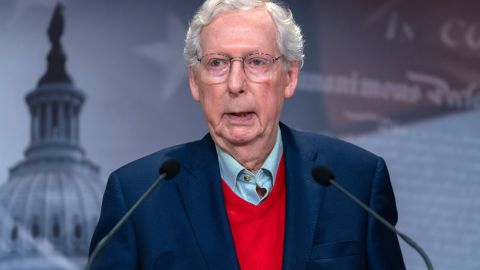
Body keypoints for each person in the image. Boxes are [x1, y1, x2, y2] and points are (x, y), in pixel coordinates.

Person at [89, 0, 406, 269]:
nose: (235, 84)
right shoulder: (138, 197)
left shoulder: (355, 181)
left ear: (290, 77)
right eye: (217, 63)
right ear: (195, 82)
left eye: (257, 62)